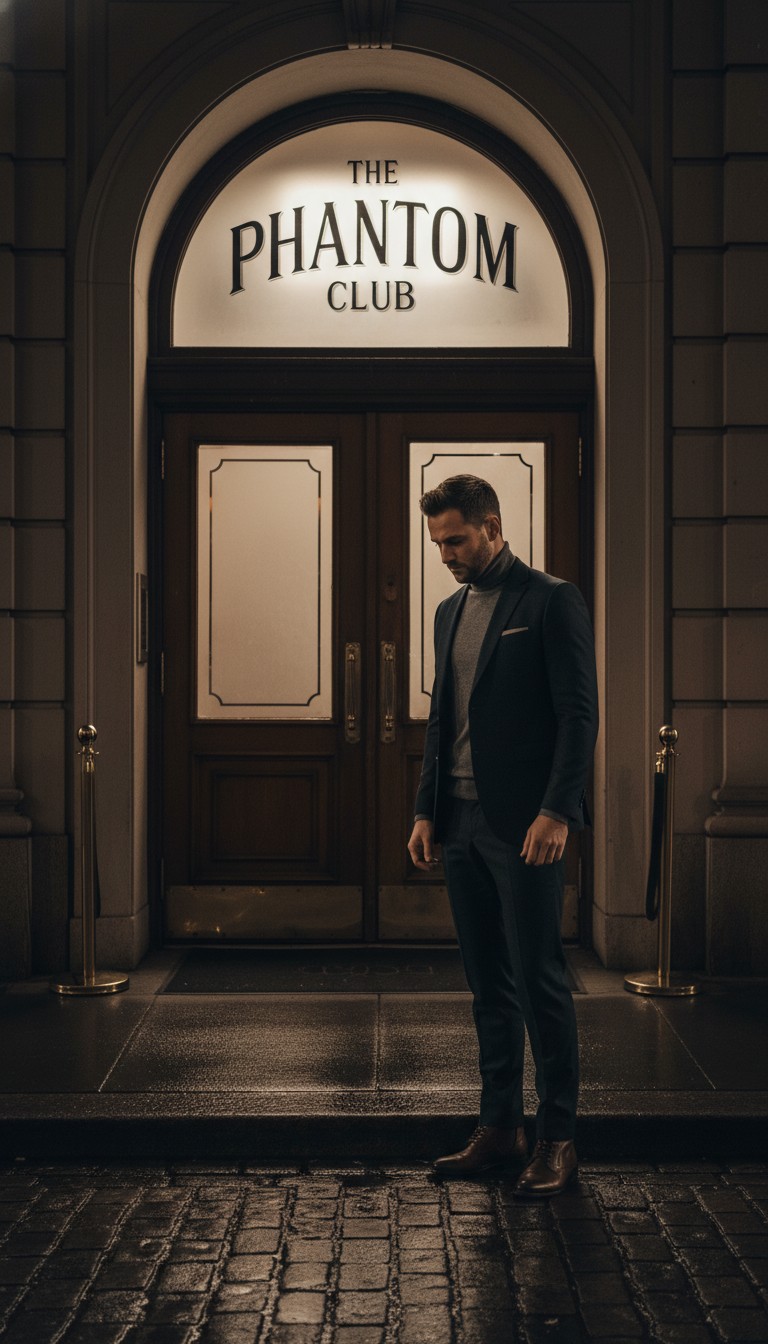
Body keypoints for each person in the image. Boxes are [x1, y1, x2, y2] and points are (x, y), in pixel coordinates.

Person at [408, 475, 598, 1196]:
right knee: (488, 984)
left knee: (539, 979)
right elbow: (440, 719)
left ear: (492, 525)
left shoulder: (551, 600)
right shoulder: (448, 610)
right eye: (437, 543)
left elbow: (579, 713)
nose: (446, 554)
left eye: (455, 539)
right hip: (457, 822)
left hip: (524, 827)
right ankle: (500, 1129)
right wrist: (426, 809)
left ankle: (557, 1138)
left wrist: (558, 810)